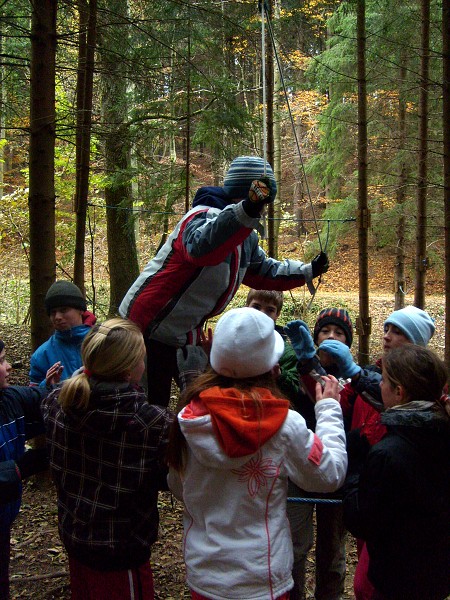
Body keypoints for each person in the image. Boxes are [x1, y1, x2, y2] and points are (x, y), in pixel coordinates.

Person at [166, 307, 347, 600]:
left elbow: (177, 485)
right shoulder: (283, 425)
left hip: (205, 577)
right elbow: (330, 473)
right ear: (271, 366)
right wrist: (328, 408)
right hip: (262, 579)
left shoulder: (189, 417)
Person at [119, 156, 329, 407]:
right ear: (246, 194)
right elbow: (201, 248)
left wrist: (308, 270)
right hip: (146, 327)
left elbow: (263, 271)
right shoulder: (200, 216)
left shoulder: (245, 235)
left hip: (183, 333)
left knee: (201, 398)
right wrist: (247, 210)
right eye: (261, 202)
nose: (263, 210)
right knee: (149, 403)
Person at [41, 318, 173, 600]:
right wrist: (192, 376)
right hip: (121, 554)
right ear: (128, 371)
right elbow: (185, 453)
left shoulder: (55, 402)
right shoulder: (150, 422)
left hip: (75, 540)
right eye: (142, 359)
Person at [318, 305, 435, 600]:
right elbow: (337, 402)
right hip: (365, 488)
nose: (387, 336)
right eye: (387, 329)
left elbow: (401, 414)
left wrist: (360, 454)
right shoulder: (373, 373)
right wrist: (312, 365)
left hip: (388, 498)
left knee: (375, 578)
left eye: (398, 332)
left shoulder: (425, 390)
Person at [342, 345, 450, 600]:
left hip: (395, 582)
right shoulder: (443, 436)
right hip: (437, 579)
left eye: (384, 381)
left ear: (399, 392)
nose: (379, 386)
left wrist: (356, 470)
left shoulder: (387, 453)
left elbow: (361, 520)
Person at [285, 308, 354, 600]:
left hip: (338, 475)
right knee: (294, 546)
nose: (331, 337)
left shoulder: (355, 381)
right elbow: (308, 381)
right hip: (300, 471)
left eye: (339, 333)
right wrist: (304, 361)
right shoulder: (299, 373)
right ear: (315, 337)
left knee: (333, 550)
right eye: (325, 332)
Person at [0, 340, 49, 600]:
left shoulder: (9, 398)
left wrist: (82, 382)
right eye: (1, 361)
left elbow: (45, 400)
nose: (8, 367)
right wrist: (23, 467)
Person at [29, 280, 97, 386]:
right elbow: (33, 396)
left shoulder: (102, 342)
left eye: (64, 310)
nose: (57, 317)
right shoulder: (42, 355)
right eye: (53, 312)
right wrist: (47, 384)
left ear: (81, 310)